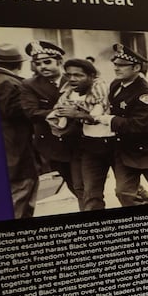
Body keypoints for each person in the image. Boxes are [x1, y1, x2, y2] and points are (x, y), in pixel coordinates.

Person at [104, 43, 148, 205]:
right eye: (115, 64)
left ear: (136, 68)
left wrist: (110, 120)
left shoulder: (146, 94)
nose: (116, 68)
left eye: (122, 65)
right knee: (124, 193)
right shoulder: (116, 85)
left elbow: (138, 126)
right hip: (125, 150)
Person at [49, 57, 115, 211]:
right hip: (87, 147)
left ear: (92, 76)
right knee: (87, 192)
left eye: (78, 75)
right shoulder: (67, 94)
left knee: (126, 190)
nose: (72, 79)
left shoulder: (100, 89)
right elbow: (56, 116)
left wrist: (77, 114)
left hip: (113, 144)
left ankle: (144, 199)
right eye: (69, 75)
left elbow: (97, 117)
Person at [20, 39, 77, 199]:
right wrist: (61, 112)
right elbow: (31, 112)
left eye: (47, 62)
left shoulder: (74, 79)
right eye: (38, 63)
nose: (42, 66)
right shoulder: (30, 85)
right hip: (53, 144)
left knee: (88, 186)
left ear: (59, 62)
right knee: (74, 185)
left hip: (80, 141)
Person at [0, 42, 38, 218]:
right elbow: (16, 112)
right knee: (21, 199)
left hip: (1, 151)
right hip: (16, 151)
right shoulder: (12, 83)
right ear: (19, 64)